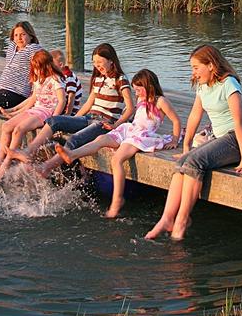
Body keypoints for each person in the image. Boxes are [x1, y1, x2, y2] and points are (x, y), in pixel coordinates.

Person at [145, 45, 242, 241]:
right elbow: (195, 115)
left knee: (194, 163)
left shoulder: (229, 84)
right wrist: (186, 145)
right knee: (182, 163)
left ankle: (182, 219)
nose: (193, 73)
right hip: (221, 138)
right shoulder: (202, 86)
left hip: (239, 139)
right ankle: (167, 218)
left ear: (211, 65)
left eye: (196, 67)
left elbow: (238, 122)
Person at [46, 69, 181, 217]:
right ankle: (72, 154)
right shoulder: (141, 100)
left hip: (143, 136)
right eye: (135, 90)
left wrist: (174, 139)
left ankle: (117, 201)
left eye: (138, 90)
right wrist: (116, 125)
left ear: (148, 85)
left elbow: (176, 120)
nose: (136, 93)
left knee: (116, 160)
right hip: (129, 129)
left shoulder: (160, 100)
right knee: (100, 139)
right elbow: (135, 118)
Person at [11, 43, 134, 173]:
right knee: (55, 120)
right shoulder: (98, 78)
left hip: (104, 123)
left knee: (74, 139)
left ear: (111, 61)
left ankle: (45, 168)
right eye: (94, 62)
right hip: (89, 118)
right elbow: (88, 104)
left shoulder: (121, 79)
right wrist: (73, 120)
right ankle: (28, 151)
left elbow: (130, 108)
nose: (97, 65)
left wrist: (116, 125)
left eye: (100, 62)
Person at [0, 49, 66, 181]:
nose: (36, 71)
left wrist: (54, 119)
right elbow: (33, 99)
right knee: (7, 126)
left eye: (38, 67)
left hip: (46, 112)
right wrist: (16, 111)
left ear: (46, 65)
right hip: (35, 109)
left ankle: (6, 164)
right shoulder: (38, 79)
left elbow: (62, 100)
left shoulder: (55, 79)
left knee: (19, 130)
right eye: (34, 68)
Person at [50, 49, 83, 115]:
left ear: (61, 65)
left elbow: (71, 97)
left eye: (51, 65)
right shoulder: (60, 76)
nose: (49, 67)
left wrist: (68, 114)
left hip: (70, 110)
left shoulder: (69, 77)